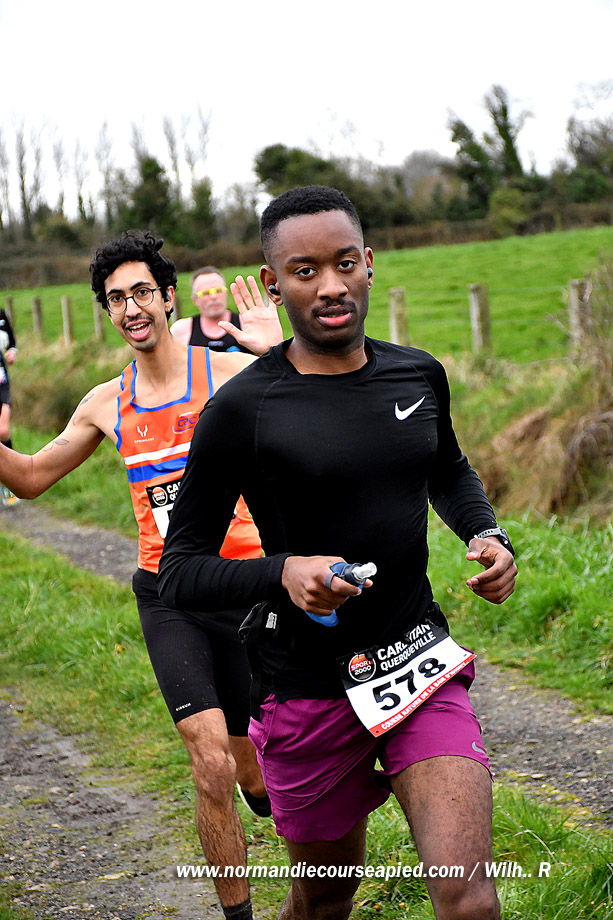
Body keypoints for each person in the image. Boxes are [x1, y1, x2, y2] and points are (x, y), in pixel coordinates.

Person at [158, 186, 518, 920]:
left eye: (344, 263)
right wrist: (282, 573)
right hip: (305, 687)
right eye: (305, 271)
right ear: (273, 284)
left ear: (369, 264)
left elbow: (446, 469)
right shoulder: (241, 410)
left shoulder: (418, 374)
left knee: (469, 900)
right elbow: (180, 571)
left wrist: (485, 533)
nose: (330, 286)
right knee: (324, 900)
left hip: (416, 662)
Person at [0, 230, 284, 920]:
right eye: (116, 298)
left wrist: (277, 352)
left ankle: (268, 798)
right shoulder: (106, 403)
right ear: (107, 311)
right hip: (168, 594)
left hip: (245, 586)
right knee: (209, 761)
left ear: (168, 298)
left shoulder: (231, 375)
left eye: (141, 293)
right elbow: (31, 477)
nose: (131, 308)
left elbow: (322, 408)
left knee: (252, 763)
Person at [171, 265, 251, 353]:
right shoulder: (181, 331)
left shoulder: (246, 324)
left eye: (218, 290)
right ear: (195, 300)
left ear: (226, 293)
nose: (213, 296)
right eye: (206, 293)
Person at [0, 307, 20, 507]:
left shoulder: (1, 314)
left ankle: (10, 483)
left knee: (3, 431)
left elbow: (12, 343)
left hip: (1, 381)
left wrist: (11, 353)